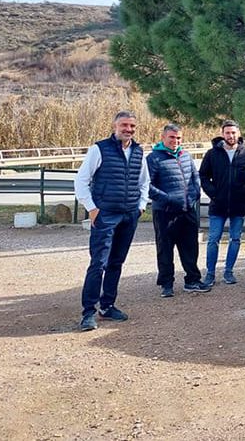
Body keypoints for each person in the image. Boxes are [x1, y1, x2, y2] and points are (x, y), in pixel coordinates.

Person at [74, 111, 149, 331]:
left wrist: (141, 205)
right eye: (125, 125)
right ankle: (88, 312)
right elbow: (82, 180)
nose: (129, 129)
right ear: (115, 126)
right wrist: (93, 209)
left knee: (116, 262)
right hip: (105, 214)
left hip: (129, 214)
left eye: (132, 126)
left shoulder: (138, 151)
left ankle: (107, 305)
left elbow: (144, 181)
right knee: (99, 263)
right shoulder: (99, 149)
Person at [147, 124, 209, 297]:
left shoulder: (186, 156)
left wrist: (194, 195)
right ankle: (166, 284)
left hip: (187, 210)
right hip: (165, 212)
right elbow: (147, 185)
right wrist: (167, 198)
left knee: (190, 247)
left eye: (179, 138)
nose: (175, 141)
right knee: (165, 248)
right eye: (172, 137)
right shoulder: (153, 158)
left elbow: (195, 179)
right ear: (163, 138)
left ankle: (192, 280)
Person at [199, 120, 245, 286]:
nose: (230, 136)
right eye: (227, 133)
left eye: (233, 133)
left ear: (238, 133)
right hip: (218, 204)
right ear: (222, 134)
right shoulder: (212, 154)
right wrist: (214, 193)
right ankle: (210, 273)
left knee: (235, 239)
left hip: (239, 204)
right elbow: (203, 176)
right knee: (213, 239)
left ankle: (229, 271)